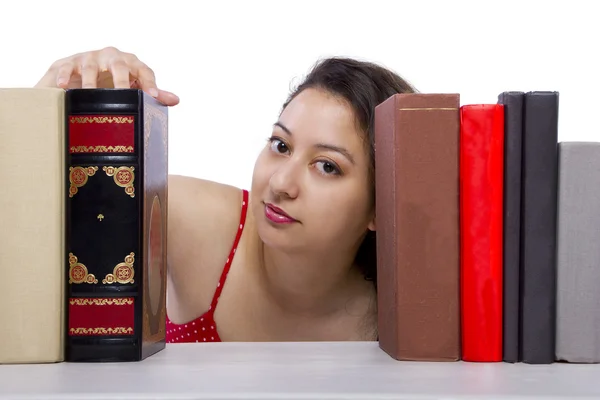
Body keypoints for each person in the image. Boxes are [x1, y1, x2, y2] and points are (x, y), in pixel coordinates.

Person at [35, 46, 417, 342]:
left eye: (327, 166)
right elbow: (28, 213)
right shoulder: (192, 218)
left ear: (381, 205)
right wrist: (47, 109)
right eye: (281, 145)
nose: (281, 183)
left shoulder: (410, 314)